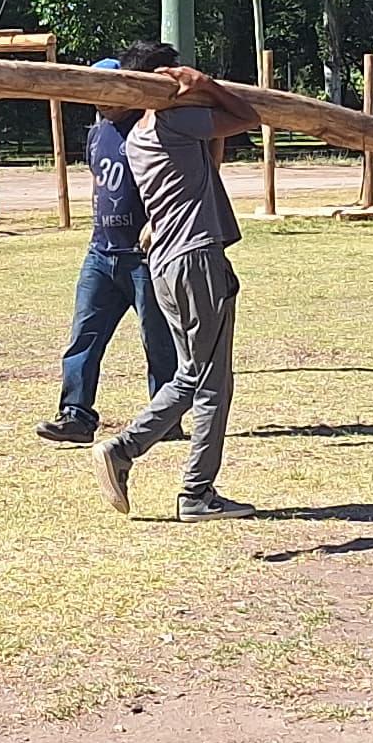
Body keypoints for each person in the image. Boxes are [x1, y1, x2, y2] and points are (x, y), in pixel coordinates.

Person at [97, 40, 262, 521]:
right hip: (196, 259)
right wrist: (205, 85)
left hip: (168, 262)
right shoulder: (172, 120)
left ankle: (145, 462)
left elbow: (209, 161)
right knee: (209, 382)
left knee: (193, 373)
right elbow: (248, 117)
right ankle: (188, 488)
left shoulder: (136, 135)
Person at [37, 63, 176, 447]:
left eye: (104, 90)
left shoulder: (149, 128)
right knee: (84, 335)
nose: (97, 99)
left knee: (158, 338)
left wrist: (156, 224)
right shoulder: (97, 133)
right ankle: (76, 416)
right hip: (101, 251)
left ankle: (164, 418)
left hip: (144, 256)